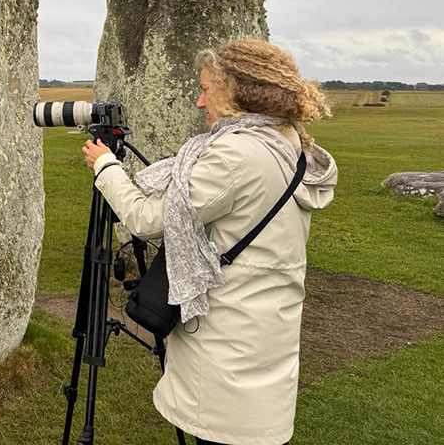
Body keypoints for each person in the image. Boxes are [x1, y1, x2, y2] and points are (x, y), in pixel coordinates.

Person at [81, 39, 339, 445]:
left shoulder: (235, 156)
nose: (200, 103)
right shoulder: (289, 143)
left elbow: (147, 219)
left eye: (205, 90)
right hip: (267, 335)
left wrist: (106, 168)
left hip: (227, 350)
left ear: (236, 91)